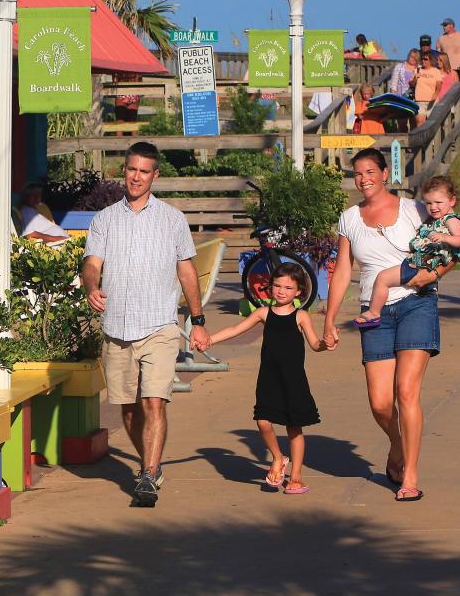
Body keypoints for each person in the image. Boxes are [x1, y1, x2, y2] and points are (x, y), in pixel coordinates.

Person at [324, 148, 454, 502]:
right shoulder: (349, 218)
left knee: (406, 392)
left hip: (416, 305)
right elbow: (343, 271)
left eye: (370, 171)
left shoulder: (414, 208)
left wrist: (427, 277)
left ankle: (410, 474)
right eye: (357, 173)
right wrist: (330, 320)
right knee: (380, 404)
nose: (363, 178)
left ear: (385, 173)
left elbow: (447, 251)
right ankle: (397, 445)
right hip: (374, 312)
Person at [81, 141, 207, 508]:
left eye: (144, 171)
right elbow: (92, 263)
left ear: (156, 175)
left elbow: (187, 270)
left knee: (154, 402)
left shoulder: (172, 219)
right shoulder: (105, 219)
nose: (136, 177)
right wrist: (92, 286)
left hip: (159, 325)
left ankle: (149, 474)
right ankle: (148, 461)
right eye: (131, 169)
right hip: (117, 327)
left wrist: (197, 321)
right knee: (128, 409)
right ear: (125, 170)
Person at [196, 263, 329, 495]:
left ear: (298, 291)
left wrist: (326, 344)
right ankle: (278, 458)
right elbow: (236, 329)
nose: (281, 291)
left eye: (288, 287)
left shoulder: (301, 316)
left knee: (294, 427)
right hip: (268, 378)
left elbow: (315, 344)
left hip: (294, 380)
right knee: (263, 421)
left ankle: (296, 476)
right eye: (277, 285)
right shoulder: (263, 313)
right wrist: (209, 340)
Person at [354, 176, 460, 329]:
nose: (433, 207)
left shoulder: (450, 219)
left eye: (438, 202)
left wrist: (445, 237)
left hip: (419, 265)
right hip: (421, 263)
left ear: (452, 201)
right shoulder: (435, 219)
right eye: (428, 203)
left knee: (382, 278)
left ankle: (374, 312)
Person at [411, 52, 442, 127]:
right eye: (422, 59)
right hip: (419, 101)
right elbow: (412, 84)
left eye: (426, 59)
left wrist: (435, 96)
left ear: (431, 60)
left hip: (432, 102)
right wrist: (415, 79)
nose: (423, 61)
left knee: (432, 124)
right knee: (420, 122)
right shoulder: (417, 70)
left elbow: (439, 86)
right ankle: (421, 139)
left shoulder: (436, 71)